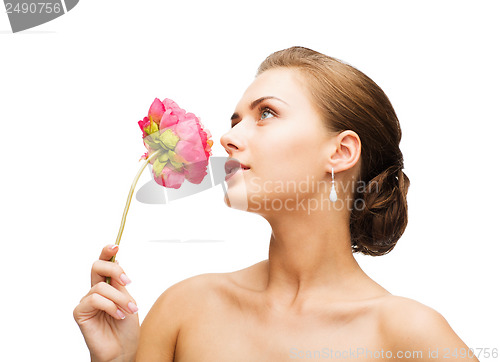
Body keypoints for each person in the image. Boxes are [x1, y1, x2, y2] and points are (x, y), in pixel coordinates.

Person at [74, 46, 478, 361]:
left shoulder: (408, 335)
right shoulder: (183, 310)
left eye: (266, 113)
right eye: (235, 121)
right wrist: (120, 360)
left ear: (340, 152)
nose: (228, 138)